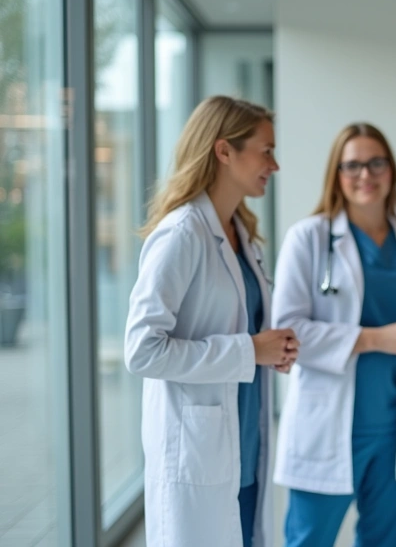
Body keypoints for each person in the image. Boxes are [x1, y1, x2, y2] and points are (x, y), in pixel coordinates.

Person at [125, 96, 298, 547]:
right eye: (266, 151)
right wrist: (249, 351)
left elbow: (242, 325)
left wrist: (271, 350)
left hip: (243, 444)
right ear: (224, 151)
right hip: (198, 453)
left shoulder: (240, 233)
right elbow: (142, 350)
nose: (274, 165)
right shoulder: (182, 234)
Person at [272, 123, 396, 547]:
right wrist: (373, 338)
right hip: (329, 424)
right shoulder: (309, 238)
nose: (365, 175)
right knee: (308, 541)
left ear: (392, 169)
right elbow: (288, 331)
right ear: (336, 174)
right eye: (352, 165)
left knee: (383, 542)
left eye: (376, 163)